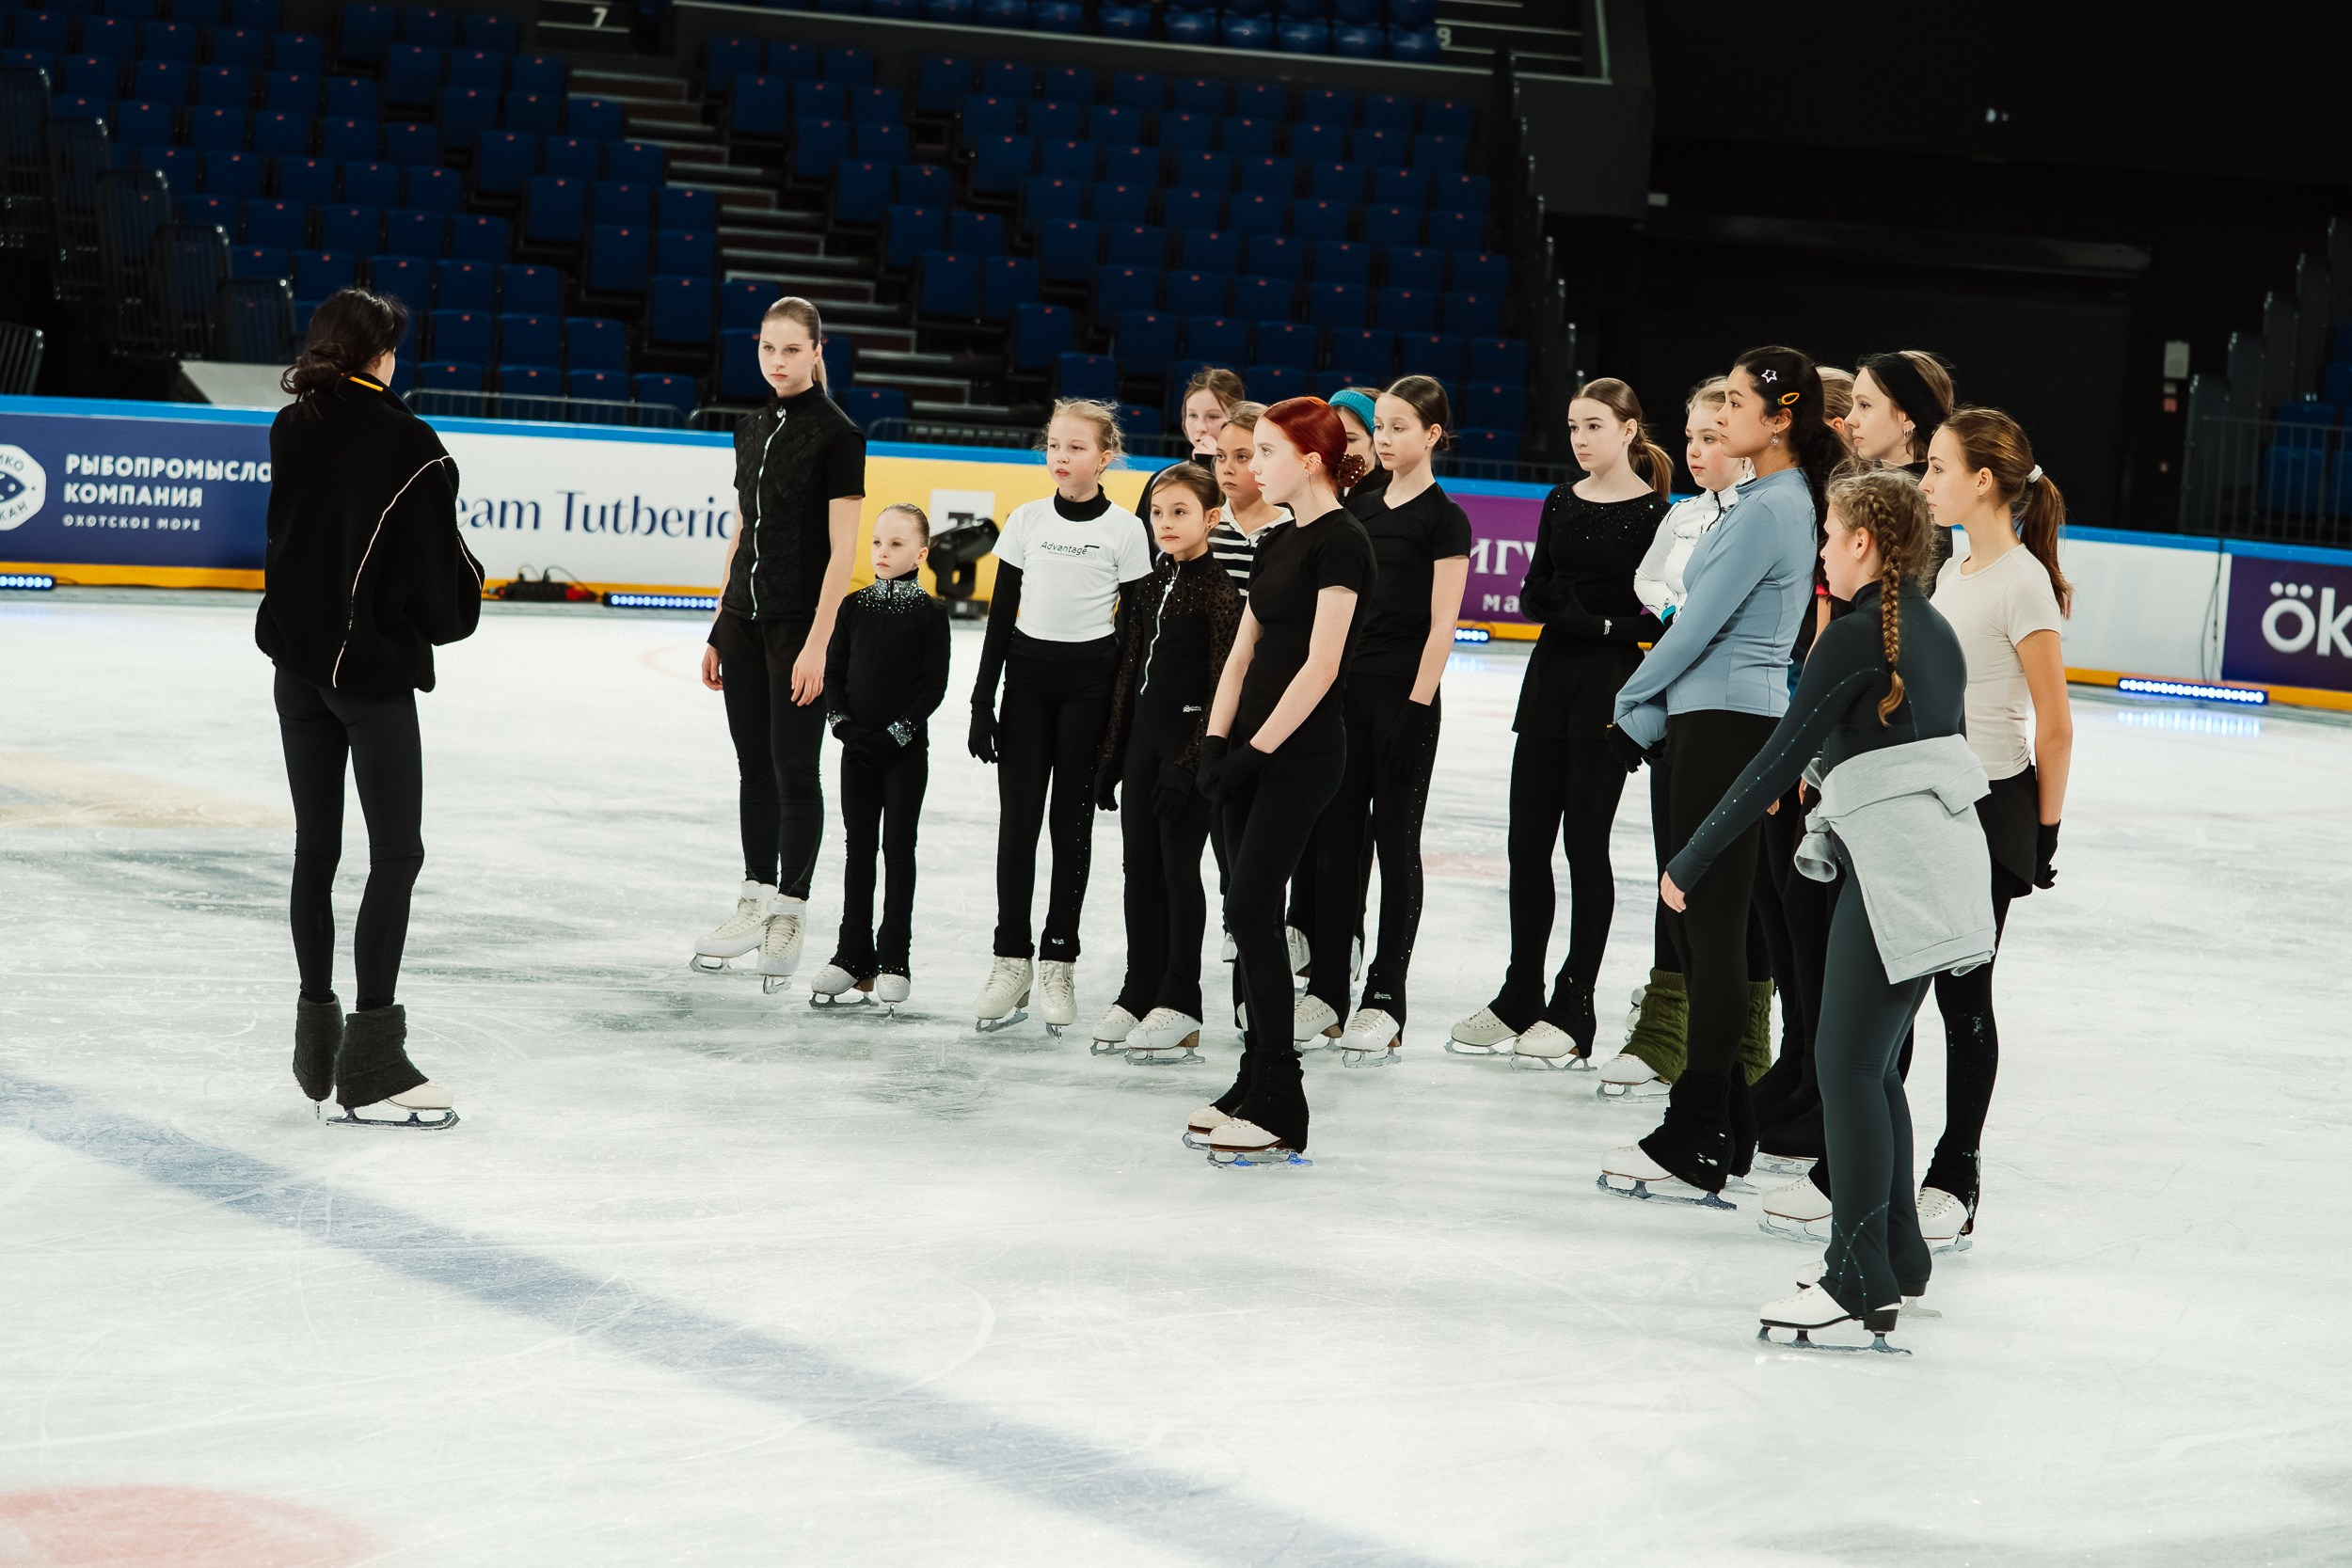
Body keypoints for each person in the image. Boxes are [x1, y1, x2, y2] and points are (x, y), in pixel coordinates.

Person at [1657, 468, 1987, 1351]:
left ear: (1866, 545)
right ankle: (1900, 1259)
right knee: (1871, 1066)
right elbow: (1872, 742)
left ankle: (1853, 1276)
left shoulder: (1851, 638)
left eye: (1831, 536)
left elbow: (1773, 758)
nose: (1821, 552)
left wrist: (1690, 858)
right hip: (1936, 868)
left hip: (1892, 876)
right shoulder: (1934, 631)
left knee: (1847, 1068)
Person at [1597, 345, 1835, 1205]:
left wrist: (1628, 700)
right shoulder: (1760, 498)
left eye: (1736, 402)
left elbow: (1698, 625)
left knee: (1711, 926)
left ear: (1780, 419)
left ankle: (1698, 1129)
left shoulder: (1775, 507)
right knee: (1708, 927)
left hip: (1734, 726)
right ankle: (1724, 1120)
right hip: (1715, 720)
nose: (1722, 415)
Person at [255, 288, 483, 1130]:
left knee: (317, 848)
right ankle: (374, 1061)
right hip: (367, 678)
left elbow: (289, 541)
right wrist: (451, 610)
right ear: (382, 354)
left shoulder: (293, 424)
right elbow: (445, 587)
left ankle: (318, 1036)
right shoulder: (411, 444)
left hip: (296, 669)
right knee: (397, 853)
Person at [1754, 350, 1959, 1181]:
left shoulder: (1914, 517)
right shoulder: (1856, 498)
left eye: (1865, 406)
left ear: (1907, 419)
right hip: (1834, 749)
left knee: (1873, 967)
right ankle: (1810, 1080)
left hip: (1887, 773)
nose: (1850, 419)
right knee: (1810, 935)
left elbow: (1897, 655)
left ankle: (1856, 1150)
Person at [1450, 377, 1669, 1067]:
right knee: (1525, 842)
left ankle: (1576, 1003)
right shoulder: (1558, 499)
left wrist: (1596, 618)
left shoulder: (1657, 515)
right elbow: (1533, 589)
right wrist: (1571, 607)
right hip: (1547, 680)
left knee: (1585, 846)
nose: (1580, 439)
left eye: (1594, 425)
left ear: (1629, 429)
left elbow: (1656, 615)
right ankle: (1521, 990)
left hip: (1608, 686)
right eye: (1573, 426)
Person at [1183, 399, 1376, 1165]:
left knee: (1255, 910)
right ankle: (1251, 1075)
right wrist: (1215, 743)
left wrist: (1256, 754)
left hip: (1299, 755)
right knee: (1245, 915)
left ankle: (1281, 1095)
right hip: (1248, 749)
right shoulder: (1278, 541)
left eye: (1265, 451)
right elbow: (1243, 653)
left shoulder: (1344, 543)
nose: (1251, 465)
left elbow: (1323, 664)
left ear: (1311, 459)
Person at [1909, 407, 2071, 1243]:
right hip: (1935, 797)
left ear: (1983, 480)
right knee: (1911, 982)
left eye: (1938, 467)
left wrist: (2043, 832)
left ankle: (1958, 1172)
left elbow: (2055, 722)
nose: (1926, 481)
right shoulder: (1955, 569)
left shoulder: (2021, 581)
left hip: (1993, 805)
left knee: (1963, 994)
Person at [1292, 375, 1472, 1064]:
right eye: (1384, 427)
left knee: (1394, 846)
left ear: (1431, 435)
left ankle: (1386, 998)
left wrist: (1416, 704)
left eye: (1402, 428)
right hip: (1346, 698)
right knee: (1337, 844)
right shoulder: (1360, 508)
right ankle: (1330, 991)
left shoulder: (1443, 518)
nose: (1388, 439)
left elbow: (1444, 622)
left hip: (1404, 701)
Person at [693, 297, 866, 994]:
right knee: (752, 765)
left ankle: (790, 910)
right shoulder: (750, 426)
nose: (776, 360)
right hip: (743, 619)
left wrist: (821, 641)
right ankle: (755, 892)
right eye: (767, 348)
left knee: (796, 769)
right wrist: (718, 619)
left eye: (791, 349)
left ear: (817, 351)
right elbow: (743, 529)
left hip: (800, 625)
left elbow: (843, 548)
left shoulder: (838, 435)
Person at [968, 401, 1155, 1036]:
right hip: (1025, 685)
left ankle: (1058, 957)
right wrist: (979, 700)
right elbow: (999, 618)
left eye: (1076, 447)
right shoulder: (1025, 521)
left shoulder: (1127, 531)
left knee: (1070, 831)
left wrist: (1120, 731)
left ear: (1105, 457)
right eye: (1053, 444)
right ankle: (1010, 956)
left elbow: (1134, 639)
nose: (1060, 456)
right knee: (1018, 827)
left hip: (1089, 689)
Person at [1091, 463, 1243, 1063]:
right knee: (1139, 872)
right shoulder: (1150, 586)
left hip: (1189, 760)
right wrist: (1111, 757)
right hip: (1140, 751)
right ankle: (1140, 988)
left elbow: (1221, 685)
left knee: (1180, 873)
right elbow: (1128, 675)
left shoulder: (1221, 590)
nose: (1165, 523)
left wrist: (1190, 763)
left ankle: (1182, 1000)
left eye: (1179, 512)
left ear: (1211, 518)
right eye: (1157, 512)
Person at [805, 503, 950, 1013]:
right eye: (877, 543)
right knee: (858, 851)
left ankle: (894, 958)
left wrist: (896, 734)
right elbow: (835, 673)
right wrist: (843, 726)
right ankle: (852, 956)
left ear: (921, 553)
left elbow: (933, 687)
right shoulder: (854, 606)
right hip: (857, 753)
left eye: (895, 544)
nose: (883, 553)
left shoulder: (931, 613)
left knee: (898, 852)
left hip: (904, 754)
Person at [1138, 366, 1246, 523]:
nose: (1201, 428)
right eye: (1193, 415)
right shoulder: (1163, 478)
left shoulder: (1255, 477)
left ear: (1236, 418)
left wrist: (1210, 465)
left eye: (1213, 417)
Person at [1330, 385, 1389, 509]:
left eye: (1351, 439)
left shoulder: (1388, 500)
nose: (1339, 447)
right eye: (1332, 437)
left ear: (1376, 442)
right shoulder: (1313, 489)